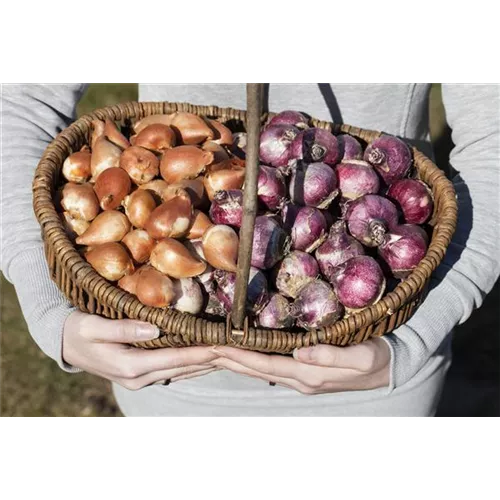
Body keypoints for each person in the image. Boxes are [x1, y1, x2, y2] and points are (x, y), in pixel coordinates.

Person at [2, 80, 499, 421]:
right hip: (170, 373)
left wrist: (414, 337)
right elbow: (21, 103)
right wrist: (49, 307)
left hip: (370, 377)